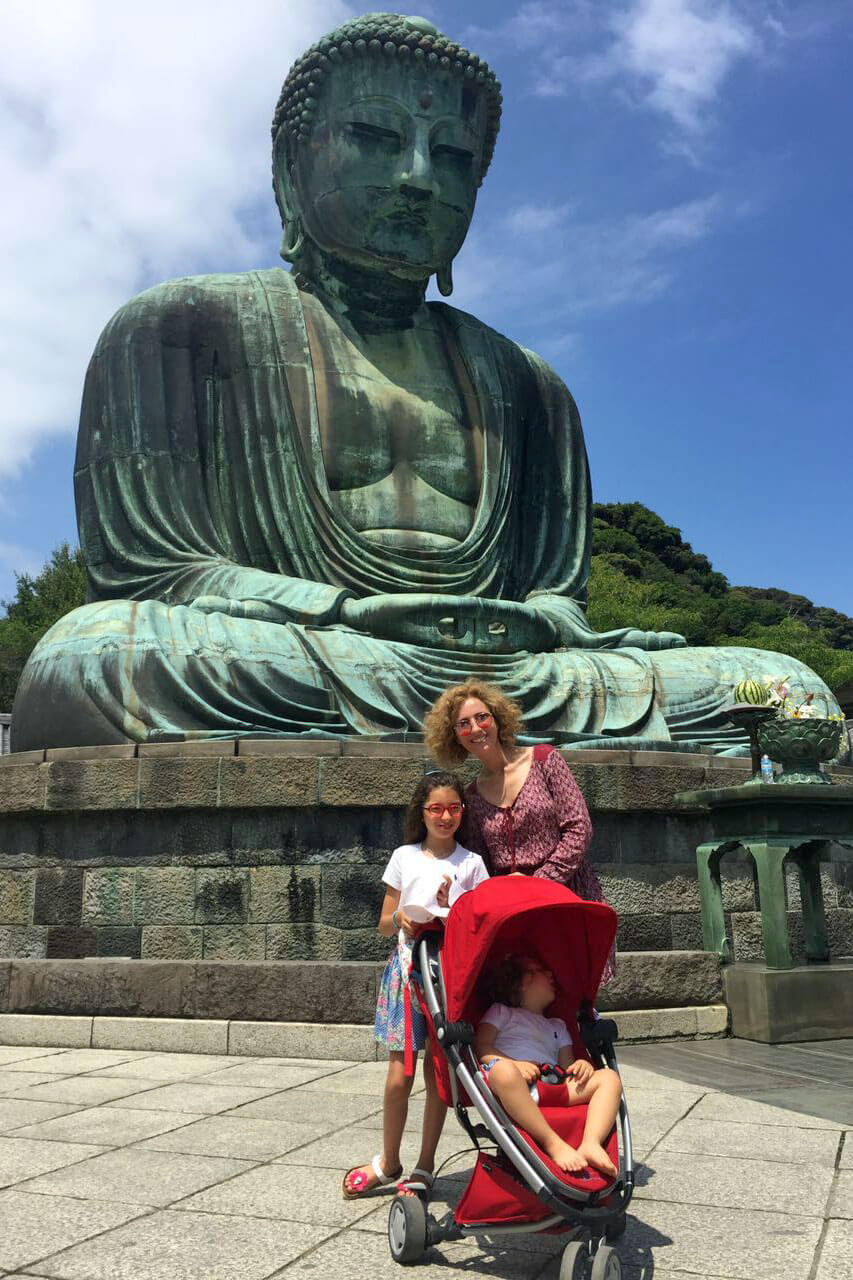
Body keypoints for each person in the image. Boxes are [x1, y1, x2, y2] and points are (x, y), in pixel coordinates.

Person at [12, 14, 843, 754]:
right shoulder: (181, 327)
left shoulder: (526, 383)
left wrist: (543, 622)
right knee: (94, 656)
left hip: (512, 673)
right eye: (375, 137)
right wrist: (342, 613)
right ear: (291, 166)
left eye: (451, 155)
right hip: (306, 651)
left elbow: (556, 596)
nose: (417, 177)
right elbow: (156, 575)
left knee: (786, 689)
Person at [343, 770, 489, 1200]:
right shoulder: (404, 856)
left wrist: (451, 907)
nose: (446, 816)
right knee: (398, 1073)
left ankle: (425, 1166)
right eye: (436, 808)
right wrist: (404, 918)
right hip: (408, 972)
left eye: (454, 808)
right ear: (421, 813)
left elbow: (478, 926)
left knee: (437, 1071)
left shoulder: (473, 864)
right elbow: (384, 924)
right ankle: (389, 1161)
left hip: (449, 978)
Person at [424, 680, 615, 981]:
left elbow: (579, 828)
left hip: (566, 895)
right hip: (514, 914)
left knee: (573, 1000)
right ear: (455, 738)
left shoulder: (544, 760)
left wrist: (538, 885)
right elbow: (479, 865)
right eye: (463, 724)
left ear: (498, 719)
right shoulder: (472, 797)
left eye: (481, 717)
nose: (475, 728)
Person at [475, 953, 622, 1177]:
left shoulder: (558, 1025)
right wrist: (514, 1064)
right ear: (520, 982)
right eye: (540, 970)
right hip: (518, 1088)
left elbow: (568, 1068)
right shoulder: (502, 1012)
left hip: (555, 1085)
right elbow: (482, 1047)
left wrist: (582, 1066)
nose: (550, 973)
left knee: (609, 1078)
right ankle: (552, 1143)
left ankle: (591, 1142)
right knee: (502, 1072)